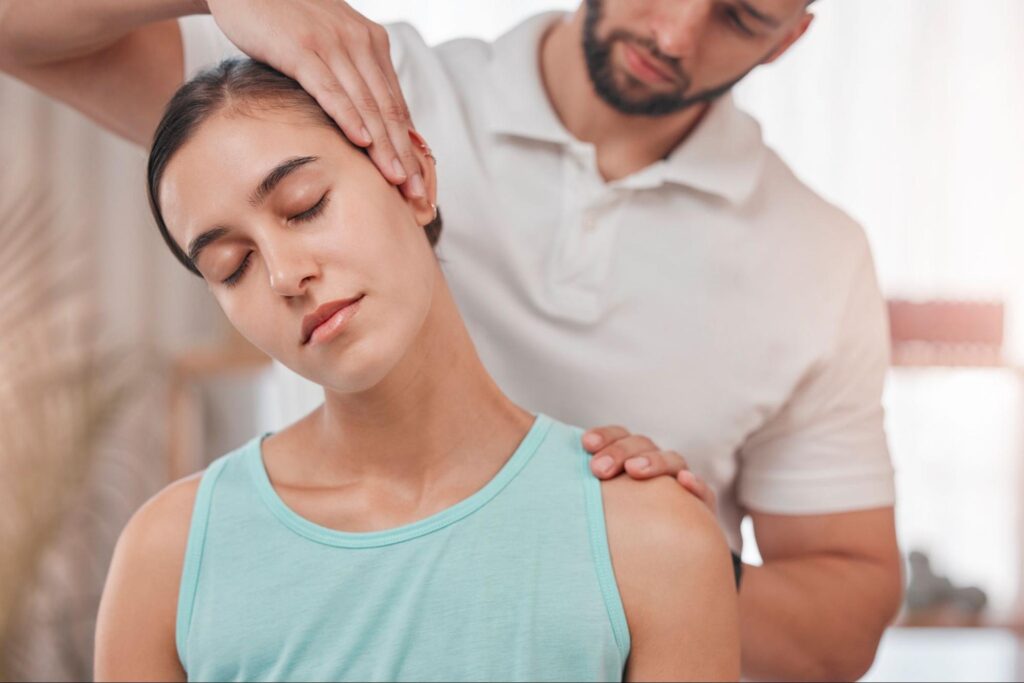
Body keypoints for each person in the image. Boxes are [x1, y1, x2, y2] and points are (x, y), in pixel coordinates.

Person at [0, 0, 903, 678]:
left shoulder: (814, 260)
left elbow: (850, 604)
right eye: (231, 262)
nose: (672, 34)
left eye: (741, 14)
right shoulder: (367, 88)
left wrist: (627, 553)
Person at [93, 57, 739, 681]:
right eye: (232, 266)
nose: (285, 276)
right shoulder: (169, 557)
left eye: (305, 204)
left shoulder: (653, 540)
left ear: (415, 176)